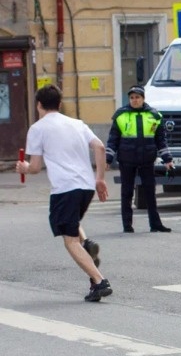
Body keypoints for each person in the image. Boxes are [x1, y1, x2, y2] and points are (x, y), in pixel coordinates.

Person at [15, 84, 113, 302]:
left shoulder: (38, 129)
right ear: (59, 104)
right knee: (72, 222)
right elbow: (99, 147)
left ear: (38, 104)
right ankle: (87, 244)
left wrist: (23, 167)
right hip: (86, 186)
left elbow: (35, 167)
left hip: (65, 187)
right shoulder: (77, 124)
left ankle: (99, 281)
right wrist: (100, 179)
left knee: (69, 241)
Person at [106, 86, 173, 233]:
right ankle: (127, 225)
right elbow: (113, 140)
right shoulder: (120, 116)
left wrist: (167, 159)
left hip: (147, 159)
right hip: (127, 159)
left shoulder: (154, 116)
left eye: (137, 97)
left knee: (150, 192)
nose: (134, 100)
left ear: (143, 99)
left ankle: (155, 224)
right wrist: (108, 159)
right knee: (126, 193)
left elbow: (161, 140)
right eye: (132, 98)